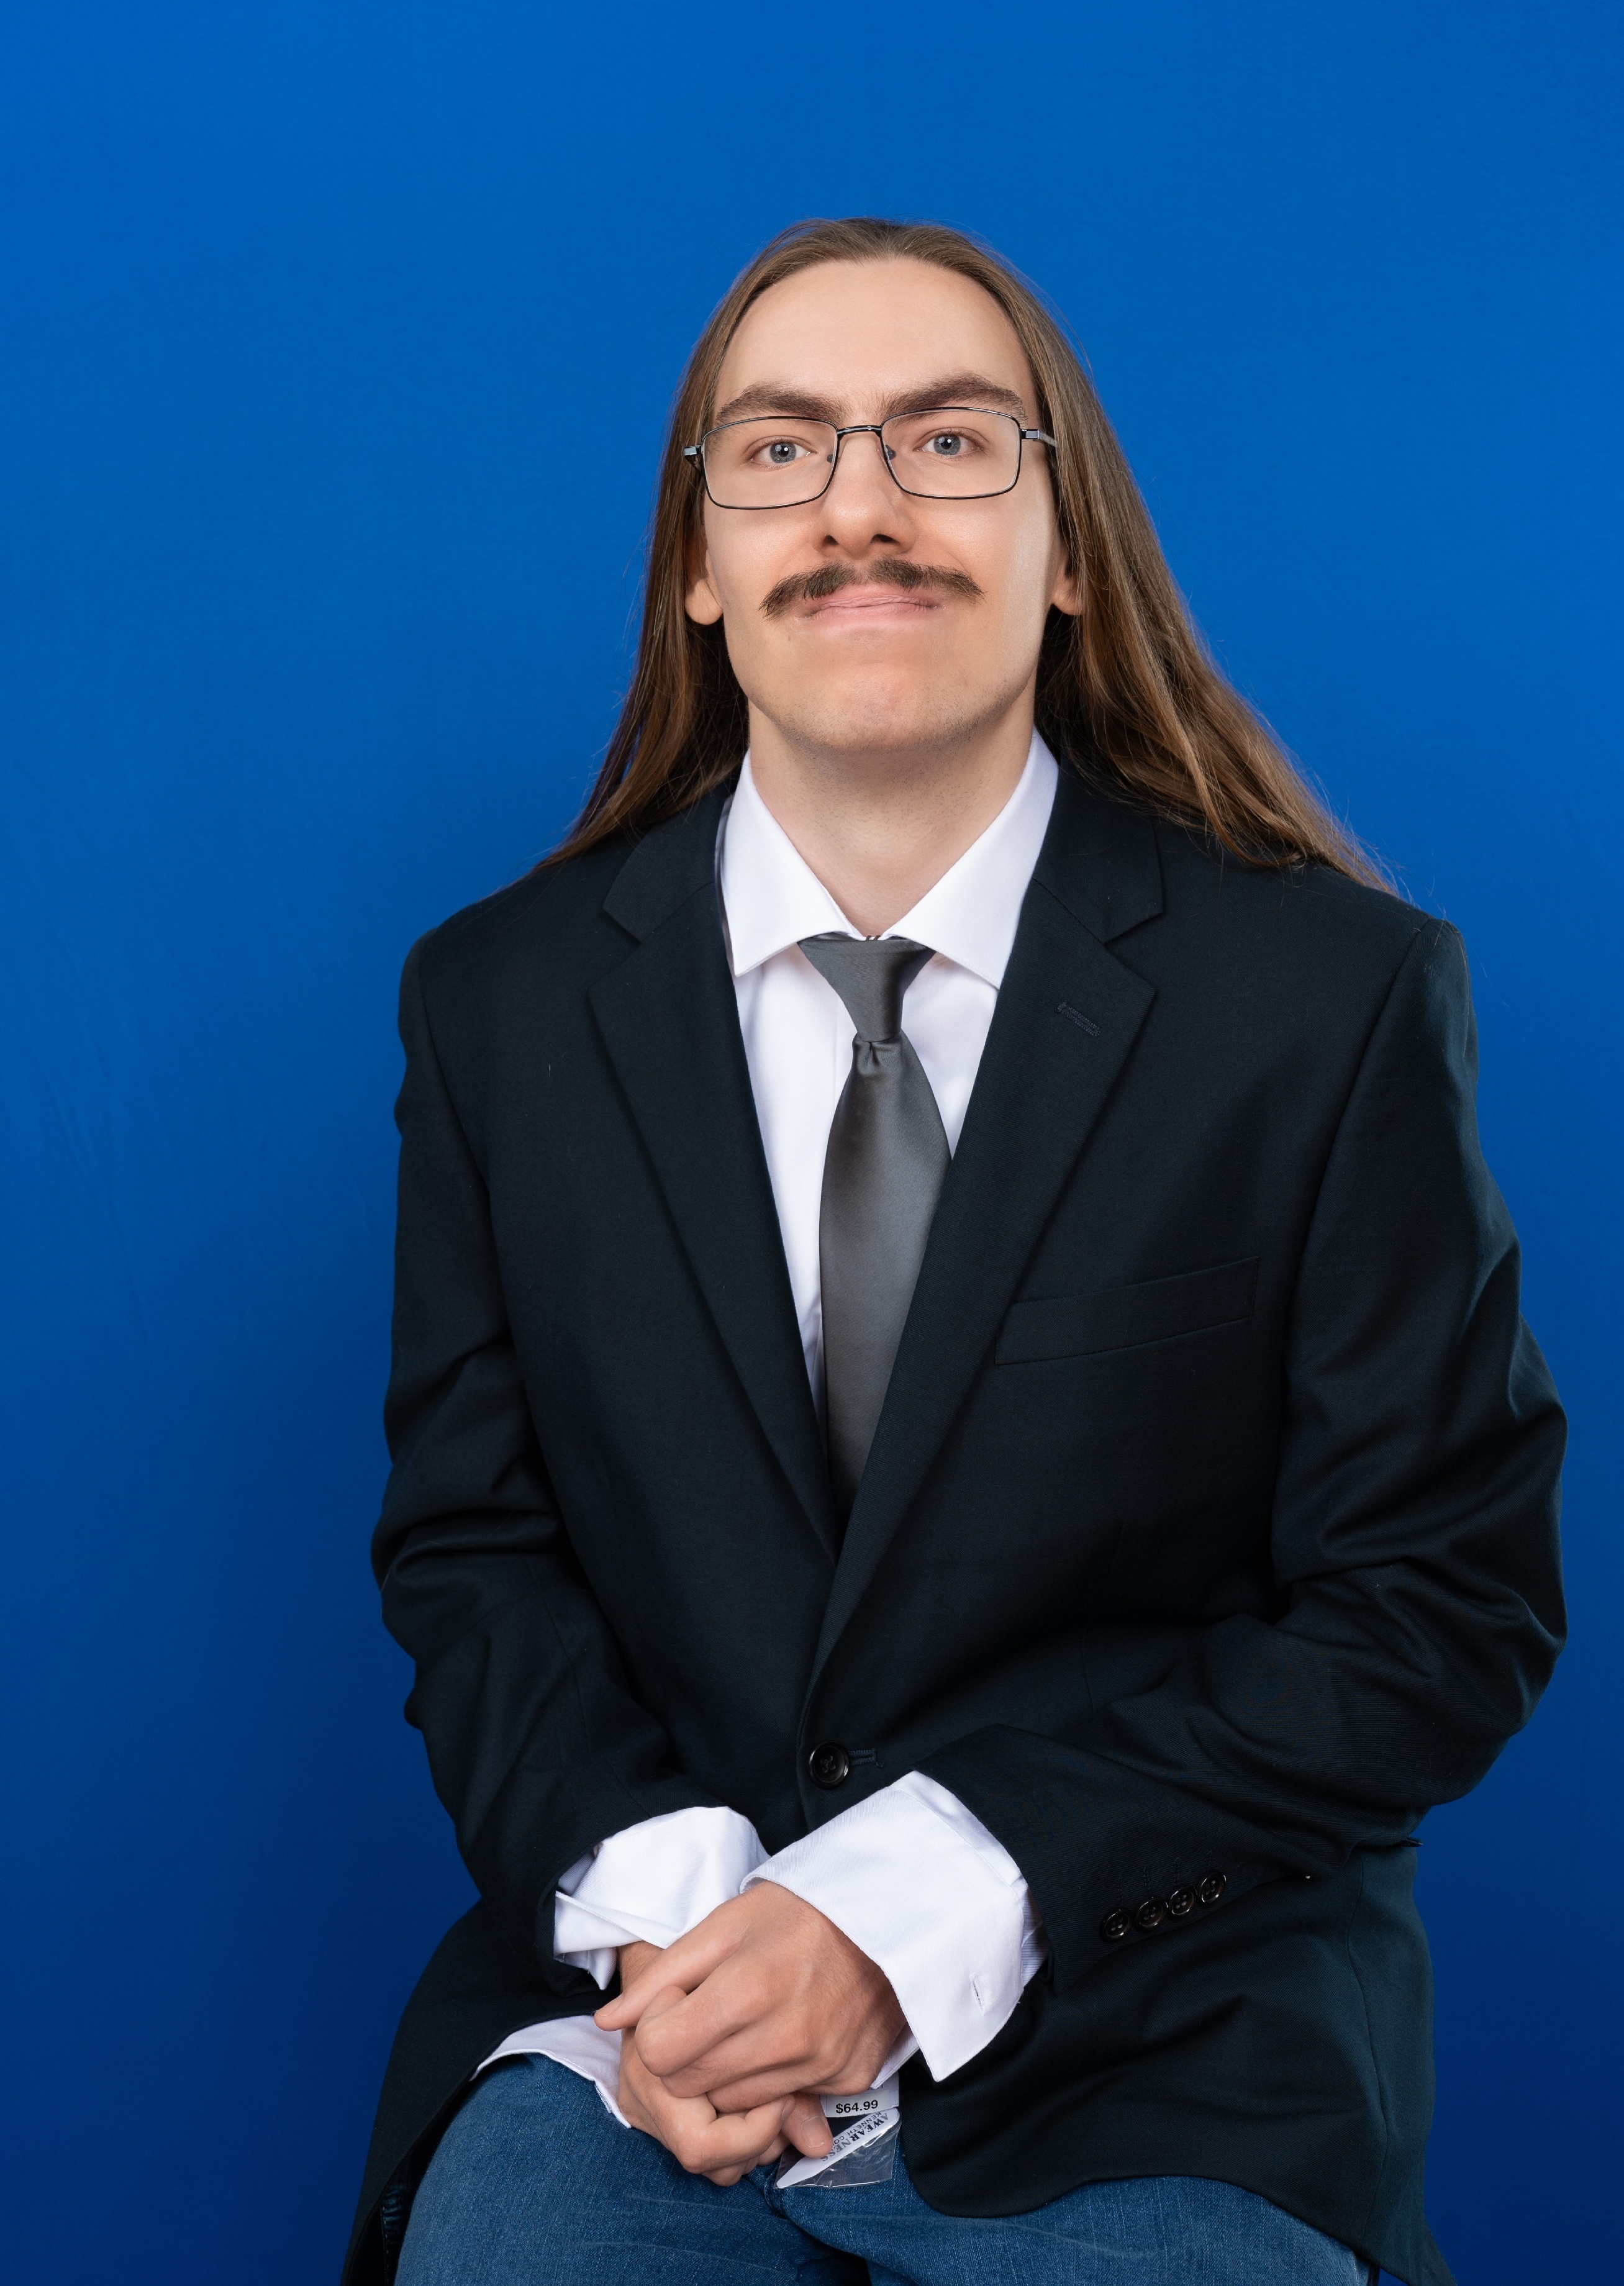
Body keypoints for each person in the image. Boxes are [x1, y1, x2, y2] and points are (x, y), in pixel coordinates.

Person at [347, 219, 1566, 2286]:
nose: (861, 507)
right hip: (658, 2040)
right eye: (782, 450)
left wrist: (907, 1909)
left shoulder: (1328, 1001)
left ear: (1067, 545)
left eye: (948, 438)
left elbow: (1439, 1598)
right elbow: (475, 1548)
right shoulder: (495, 1007)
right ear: (699, 563)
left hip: (1160, 2029)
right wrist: (679, 1922)